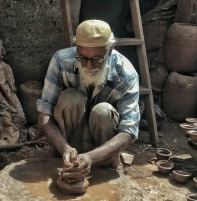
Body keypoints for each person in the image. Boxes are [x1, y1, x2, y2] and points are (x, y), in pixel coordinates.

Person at [36, 19, 140, 183]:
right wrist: (64, 148)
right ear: (76, 49)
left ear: (110, 49)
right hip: (69, 142)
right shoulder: (61, 61)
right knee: (71, 97)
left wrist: (91, 157)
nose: (89, 66)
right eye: (83, 58)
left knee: (103, 111)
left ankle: (109, 163)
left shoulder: (127, 74)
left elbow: (129, 132)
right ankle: (65, 157)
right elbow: (44, 114)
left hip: (104, 144)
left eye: (97, 58)